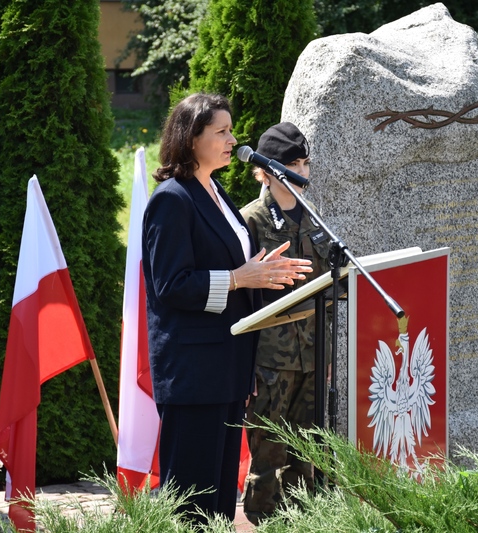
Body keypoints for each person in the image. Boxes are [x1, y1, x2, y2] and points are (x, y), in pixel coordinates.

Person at [141, 93, 312, 525]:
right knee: (191, 500)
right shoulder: (172, 200)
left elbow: (237, 266)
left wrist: (263, 273)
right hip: (194, 371)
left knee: (217, 499)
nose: (232, 140)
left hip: (228, 366)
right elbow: (170, 285)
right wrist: (240, 278)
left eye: (231, 130)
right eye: (221, 131)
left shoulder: (215, 191)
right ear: (190, 136)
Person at [240, 122, 332, 525]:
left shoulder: (315, 218)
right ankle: (263, 519)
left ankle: (305, 519)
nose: (302, 170)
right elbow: (242, 296)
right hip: (270, 360)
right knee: (268, 452)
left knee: (308, 453)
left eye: (305, 162)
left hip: (313, 353)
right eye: (293, 163)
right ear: (269, 170)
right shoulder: (251, 221)